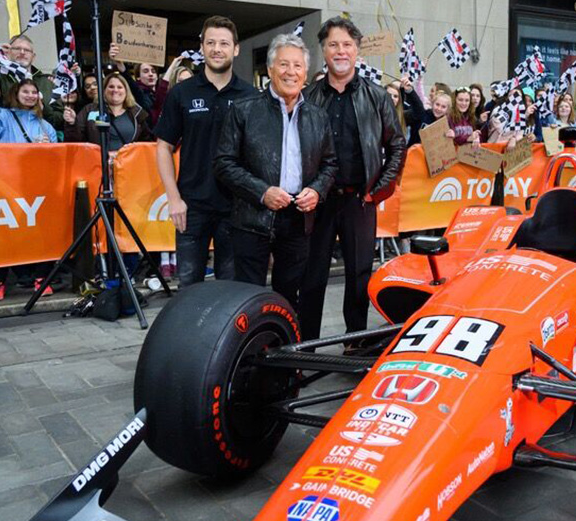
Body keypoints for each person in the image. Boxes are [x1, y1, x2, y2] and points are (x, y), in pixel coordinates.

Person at [300, 16, 407, 344]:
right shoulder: (309, 96)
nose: (340, 51)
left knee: (359, 275)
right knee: (312, 277)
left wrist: (379, 190)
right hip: (317, 201)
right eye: (333, 44)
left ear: (358, 50)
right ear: (323, 50)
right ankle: (305, 348)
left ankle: (355, 343)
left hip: (360, 200)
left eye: (347, 44)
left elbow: (397, 145)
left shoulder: (375, 96)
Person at [213, 33, 337, 309]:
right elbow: (223, 163)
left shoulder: (318, 116)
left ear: (305, 73)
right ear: (269, 70)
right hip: (252, 219)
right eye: (283, 65)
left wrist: (317, 190)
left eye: (297, 66)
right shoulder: (244, 111)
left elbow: (330, 164)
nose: (290, 72)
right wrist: (261, 192)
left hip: (298, 218)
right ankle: (251, 351)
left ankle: (282, 349)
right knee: (247, 298)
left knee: (288, 297)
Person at [154, 16, 256, 288]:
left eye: (224, 43)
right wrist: (174, 199)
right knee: (188, 288)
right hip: (192, 206)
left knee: (231, 288)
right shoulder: (182, 93)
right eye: (210, 42)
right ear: (202, 47)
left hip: (236, 208)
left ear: (236, 49)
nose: (216, 48)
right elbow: (163, 146)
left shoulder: (251, 95)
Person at [0, 79, 58, 300]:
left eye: (34, 92)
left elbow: (57, 154)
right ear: (16, 93)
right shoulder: (2, 115)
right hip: (6, 185)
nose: (30, 95)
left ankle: (42, 276)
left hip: (38, 186)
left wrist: (48, 149)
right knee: (6, 233)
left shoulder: (44, 125)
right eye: (25, 91)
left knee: (41, 233)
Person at [0, 34, 64, 131]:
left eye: (27, 50)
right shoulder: (0, 78)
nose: (22, 52)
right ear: (9, 52)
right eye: (17, 49)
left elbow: (58, 120)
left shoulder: (48, 82)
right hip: (7, 139)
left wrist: (42, 108)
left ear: (33, 56)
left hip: (41, 140)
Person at [65, 73, 153, 151]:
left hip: (128, 166)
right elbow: (75, 141)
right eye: (111, 87)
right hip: (97, 165)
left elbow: (146, 142)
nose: (115, 90)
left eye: (120, 87)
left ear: (126, 91)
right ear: (103, 90)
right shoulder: (89, 110)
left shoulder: (136, 112)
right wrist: (72, 124)